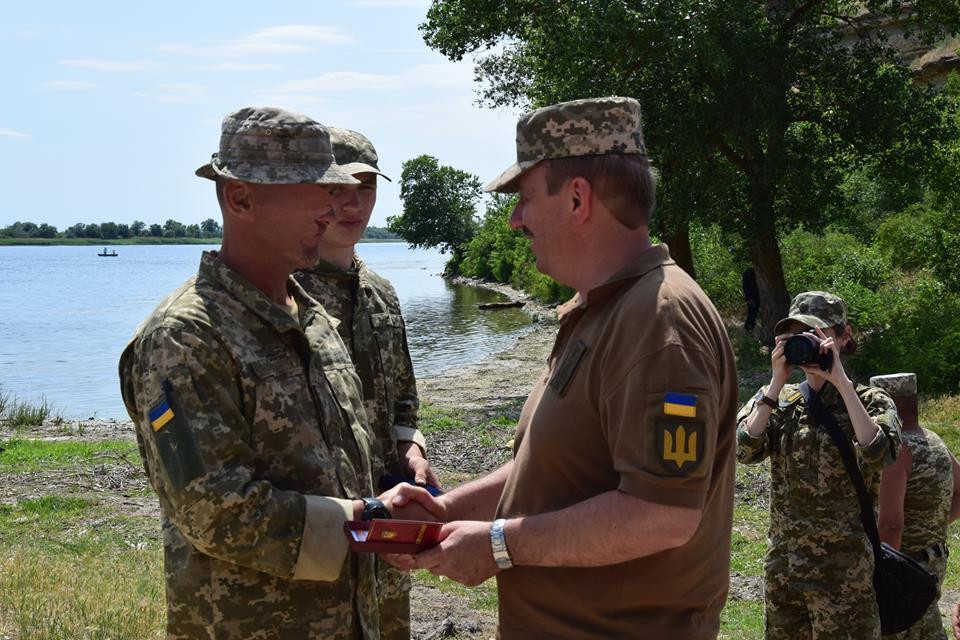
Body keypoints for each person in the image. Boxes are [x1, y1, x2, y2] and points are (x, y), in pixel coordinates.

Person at [392, 96, 739, 639]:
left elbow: (662, 513)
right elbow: (561, 465)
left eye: (525, 199)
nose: (514, 220)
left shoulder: (657, 322)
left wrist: (498, 545)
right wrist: (444, 512)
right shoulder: (603, 310)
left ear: (578, 199)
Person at [118, 106, 439, 640]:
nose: (330, 208)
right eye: (313, 190)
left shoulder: (308, 313)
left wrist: (387, 502)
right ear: (240, 197)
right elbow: (215, 511)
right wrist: (368, 519)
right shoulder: (186, 336)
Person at [294, 127, 436, 640]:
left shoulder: (380, 291)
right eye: (338, 189)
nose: (353, 205)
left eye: (367, 189)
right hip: (315, 521)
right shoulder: (282, 291)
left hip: (386, 522)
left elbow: (404, 396)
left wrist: (412, 447)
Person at [737, 290, 902, 639]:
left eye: (818, 334)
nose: (808, 344)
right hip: (785, 571)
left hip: (845, 577)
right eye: (799, 335)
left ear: (844, 336)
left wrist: (840, 382)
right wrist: (776, 381)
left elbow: (879, 454)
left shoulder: (870, 400)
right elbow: (744, 450)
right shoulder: (779, 400)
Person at [875, 372, 960, 640]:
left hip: (904, 570)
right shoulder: (935, 441)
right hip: (933, 561)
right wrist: (930, 523)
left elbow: (891, 524)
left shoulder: (897, 449)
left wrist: (882, 574)